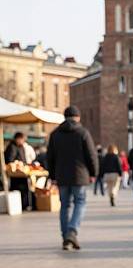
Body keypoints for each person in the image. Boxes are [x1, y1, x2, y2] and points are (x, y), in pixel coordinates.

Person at [47, 105, 98, 250]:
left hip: (61, 176)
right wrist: (94, 172)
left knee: (64, 206)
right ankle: (72, 231)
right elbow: (91, 155)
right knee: (80, 202)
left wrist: (52, 176)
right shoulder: (83, 132)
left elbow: (50, 157)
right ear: (78, 117)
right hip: (79, 176)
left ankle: (66, 237)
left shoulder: (55, 134)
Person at [4, 132, 30, 210]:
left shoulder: (21, 147)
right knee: (17, 189)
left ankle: (24, 205)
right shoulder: (12, 147)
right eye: (22, 139)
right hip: (16, 173)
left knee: (24, 188)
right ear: (17, 139)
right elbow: (10, 159)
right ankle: (20, 205)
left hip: (22, 171)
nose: (23, 141)